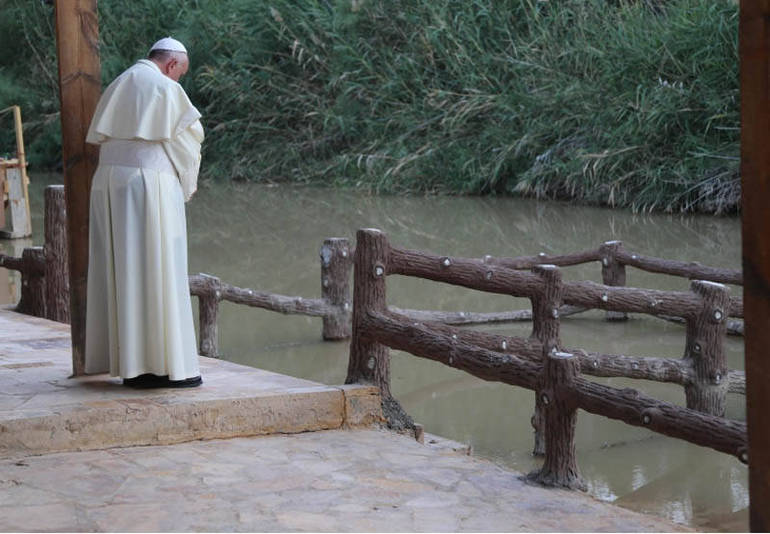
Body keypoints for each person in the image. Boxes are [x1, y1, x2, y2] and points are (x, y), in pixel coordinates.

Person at [84, 37, 204, 388]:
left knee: (123, 269)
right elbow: (189, 136)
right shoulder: (163, 87)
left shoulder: (120, 82)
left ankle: (133, 366)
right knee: (158, 266)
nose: (177, 80)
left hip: (109, 182)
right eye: (180, 73)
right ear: (171, 66)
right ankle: (164, 366)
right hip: (147, 184)